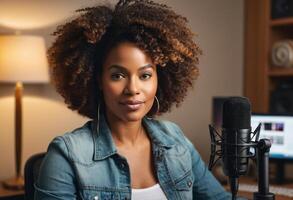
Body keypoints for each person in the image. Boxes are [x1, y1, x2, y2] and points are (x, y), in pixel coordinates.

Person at [35, 0, 231, 199]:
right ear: (99, 80)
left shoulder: (175, 141)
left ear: (159, 79)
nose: (133, 89)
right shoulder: (67, 155)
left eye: (145, 75)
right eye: (117, 75)